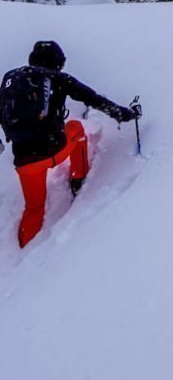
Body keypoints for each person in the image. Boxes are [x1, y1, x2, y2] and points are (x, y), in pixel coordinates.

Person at [0, 41, 140, 248]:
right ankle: (78, 178)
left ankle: (22, 251)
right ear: (57, 63)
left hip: (24, 162)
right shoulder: (59, 79)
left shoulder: (10, 79)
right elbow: (93, 99)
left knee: (34, 208)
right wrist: (125, 114)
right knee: (76, 129)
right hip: (52, 150)